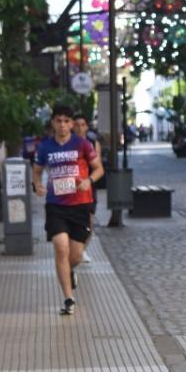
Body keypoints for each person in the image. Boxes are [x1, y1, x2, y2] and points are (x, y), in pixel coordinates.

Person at [33, 102, 104, 316]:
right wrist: (36, 185)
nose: (62, 125)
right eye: (58, 121)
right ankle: (68, 297)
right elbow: (36, 171)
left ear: (71, 124)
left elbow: (99, 168)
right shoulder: (45, 147)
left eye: (66, 121)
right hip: (56, 205)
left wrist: (89, 181)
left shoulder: (82, 144)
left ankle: (70, 271)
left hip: (80, 205)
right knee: (60, 247)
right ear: (53, 123)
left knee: (76, 254)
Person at [72, 113, 101, 264]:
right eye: (77, 125)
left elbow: (98, 167)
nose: (79, 128)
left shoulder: (92, 143)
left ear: (87, 127)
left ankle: (82, 250)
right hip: (70, 188)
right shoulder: (66, 143)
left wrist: (89, 180)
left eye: (82, 125)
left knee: (89, 221)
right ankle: (75, 248)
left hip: (88, 187)